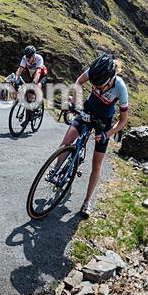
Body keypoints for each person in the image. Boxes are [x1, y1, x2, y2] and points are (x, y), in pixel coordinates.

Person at [56, 54, 129, 217]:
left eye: (100, 86)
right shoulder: (95, 71)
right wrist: (74, 102)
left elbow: (123, 120)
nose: (97, 88)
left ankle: (87, 201)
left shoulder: (120, 87)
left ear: (111, 79)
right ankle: (55, 170)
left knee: (96, 165)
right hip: (88, 109)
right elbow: (79, 81)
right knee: (65, 142)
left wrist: (107, 134)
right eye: (95, 86)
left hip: (103, 121)